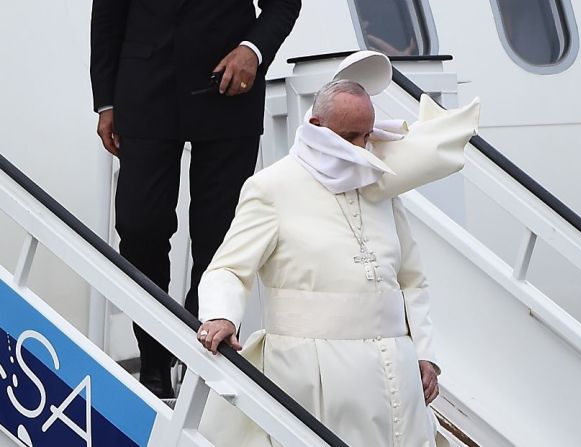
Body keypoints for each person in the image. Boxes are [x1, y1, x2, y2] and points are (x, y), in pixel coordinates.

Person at [195, 79, 448, 446]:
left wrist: (425, 354)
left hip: (394, 371)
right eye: (350, 136)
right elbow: (229, 267)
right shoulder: (272, 187)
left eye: (367, 135)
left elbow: (411, 279)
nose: (362, 147)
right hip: (310, 373)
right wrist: (221, 314)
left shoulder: (380, 184)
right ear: (316, 127)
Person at [90, 0, 301, 398]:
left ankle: (198, 352)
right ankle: (153, 358)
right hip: (144, 89)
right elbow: (108, 11)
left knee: (219, 236)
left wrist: (252, 50)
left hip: (229, 86)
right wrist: (106, 101)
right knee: (139, 227)